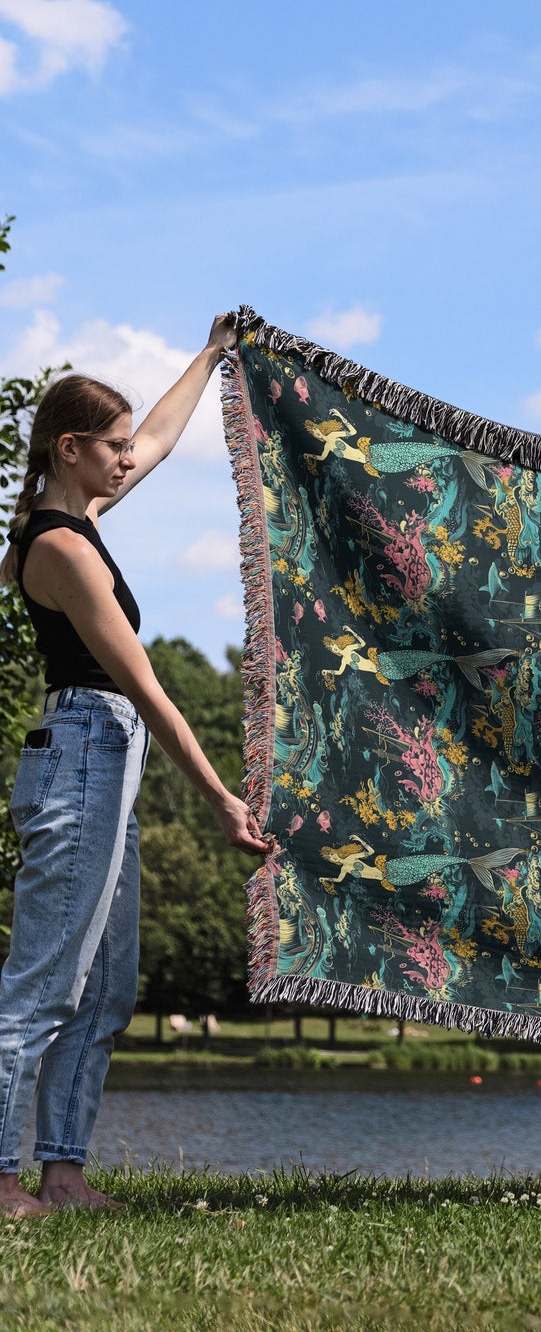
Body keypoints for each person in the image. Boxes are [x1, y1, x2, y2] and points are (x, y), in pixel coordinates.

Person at [0, 313, 271, 1219]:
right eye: (108, 447)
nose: (127, 458)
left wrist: (211, 353)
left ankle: (63, 1175)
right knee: (41, 986)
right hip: (86, 752)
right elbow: (148, 686)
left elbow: (155, 437)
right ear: (71, 449)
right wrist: (221, 798)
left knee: (106, 985)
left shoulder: (84, 510)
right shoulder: (59, 549)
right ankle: (3, 1185)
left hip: (104, 762)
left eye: (123, 446)